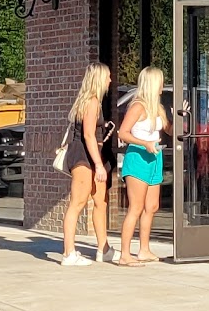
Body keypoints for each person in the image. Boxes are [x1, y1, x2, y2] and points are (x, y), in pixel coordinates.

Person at [59, 63, 114, 266]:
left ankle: (103, 249)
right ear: (99, 79)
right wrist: (98, 165)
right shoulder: (91, 102)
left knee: (101, 200)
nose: (110, 80)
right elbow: (88, 135)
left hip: (93, 155)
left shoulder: (91, 101)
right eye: (107, 77)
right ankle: (69, 253)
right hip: (83, 156)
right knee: (77, 203)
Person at [117, 66, 169, 266]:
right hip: (138, 157)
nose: (163, 86)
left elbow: (169, 129)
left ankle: (144, 250)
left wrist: (182, 117)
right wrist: (145, 143)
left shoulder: (157, 107)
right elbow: (123, 133)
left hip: (155, 157)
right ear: (153, 84)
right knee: (136, 207)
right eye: (160, 82)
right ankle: (124, 254)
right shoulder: (137, 106)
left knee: (152, 206)